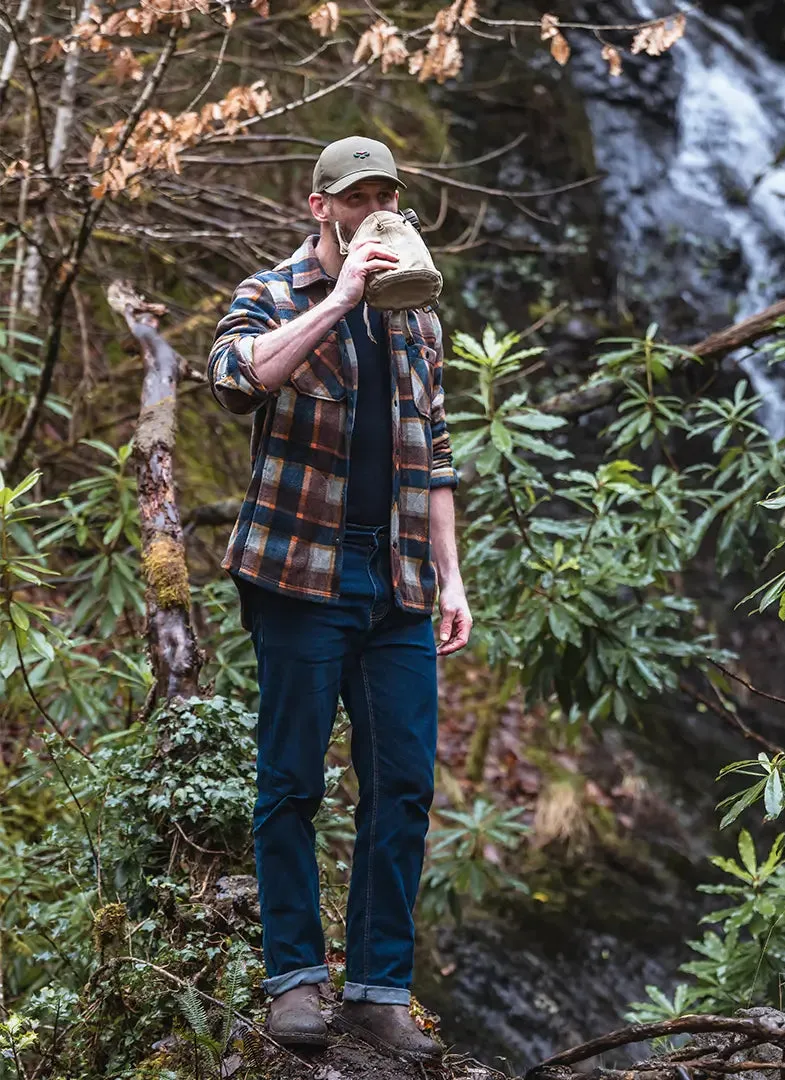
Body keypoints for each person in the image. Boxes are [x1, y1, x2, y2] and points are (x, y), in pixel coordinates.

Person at [206, 135, 472, 1058]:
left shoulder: (420, 315)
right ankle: (294, 982)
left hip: (395, 577)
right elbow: (239, 379)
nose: (373, 211)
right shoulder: (272, 295)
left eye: (386, 195)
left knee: (401, 784)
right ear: (320, 206)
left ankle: (378, 990)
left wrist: (450, 572)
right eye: (356, 197)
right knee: (290, 782)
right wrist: (346, 295)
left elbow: (434, 447)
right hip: (298, 574)